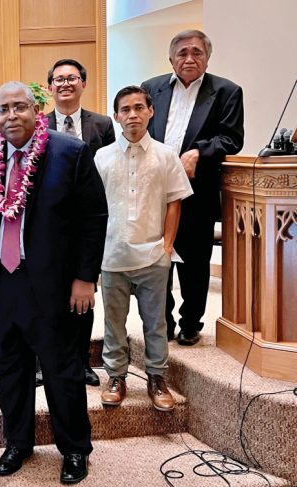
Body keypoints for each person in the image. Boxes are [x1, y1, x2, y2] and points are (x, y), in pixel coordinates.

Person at [0, 81, 107, 484]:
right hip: (2, 281)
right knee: (8, 366)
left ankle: (75, 449)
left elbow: (94, 219)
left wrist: (85, 278)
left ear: (35, 110)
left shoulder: (70, 152)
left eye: (19, 107)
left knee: (62, 369)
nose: (11, 116)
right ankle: (18, 442)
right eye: (3, 109)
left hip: (56, 285)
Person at [141, 29, 244, 346]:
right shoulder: (151, 88)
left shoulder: (226, 91)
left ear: (207, 57)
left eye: (197, 52)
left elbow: (231, 139)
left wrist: (199, 151)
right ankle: (163, 321)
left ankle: (190, 323)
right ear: (171, 58)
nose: (189, 58)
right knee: (156, 261)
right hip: (154, 191)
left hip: (197, 192)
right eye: (182, 52)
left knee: (195, 263)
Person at [95, 86, 193, 412]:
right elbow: (94, 209)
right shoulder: (102, 157)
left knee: (156, 323)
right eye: (125, 109)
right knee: (113, 323)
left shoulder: (166, 155)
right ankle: (116, 377)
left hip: (153, 255)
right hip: (113, 256)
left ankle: (157, 378)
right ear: (116, 116)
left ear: (151, 111)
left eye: (139, 107)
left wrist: (167, 245)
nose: (132, 115)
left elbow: (175, 201)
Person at [38, 58, 116, 388]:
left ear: (83, 83)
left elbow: (109, 168)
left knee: (83, 296)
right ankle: (43, 364)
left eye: (72, 78)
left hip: (85, 223)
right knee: (45, 300)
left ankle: (81, 362)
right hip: (47, 226)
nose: (65, 84)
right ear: (50, 87)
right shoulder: (38, 124)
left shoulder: (102, 124)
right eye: (59, 79)